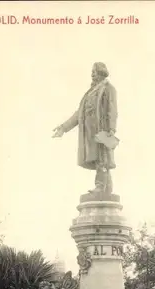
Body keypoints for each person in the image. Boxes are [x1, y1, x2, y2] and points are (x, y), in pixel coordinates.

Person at [52, 62, 118, 194]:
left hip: (102, 130)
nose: (92, 74)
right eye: (92, 72)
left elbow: (112, 109)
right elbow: (78, 114)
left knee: (102, 159)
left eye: (95, 71)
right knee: (101, 160)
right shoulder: (89, 92)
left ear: (102, 72)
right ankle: (107, 189)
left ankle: (100, 187)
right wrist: (63, 128)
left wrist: (111, 129)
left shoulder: (108, 88)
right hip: (89, 132)